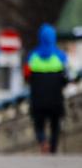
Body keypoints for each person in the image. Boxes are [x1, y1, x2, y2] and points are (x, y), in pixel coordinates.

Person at [27, 24, 69, 154]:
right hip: (56, 99)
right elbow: (66, 79)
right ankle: (52, 148)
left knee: (38, 125)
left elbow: (27, 77)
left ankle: (43, 141)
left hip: (38, 99)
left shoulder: (32, 57)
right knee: (55, 125)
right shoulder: (60, 57)